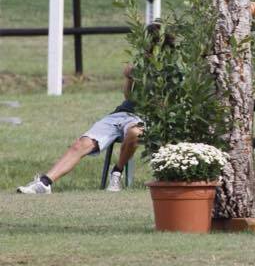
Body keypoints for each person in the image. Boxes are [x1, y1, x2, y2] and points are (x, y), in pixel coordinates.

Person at [14, 24, 170, 194]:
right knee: (81, 144)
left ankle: (116, 173)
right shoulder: (141, 65)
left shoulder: (169, 72)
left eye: (149, 44)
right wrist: (128, 79)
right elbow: (128, 98)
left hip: (145, 119)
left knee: (133, 133)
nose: (145, 49)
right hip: (121, 114)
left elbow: (168, 104)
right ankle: (45, 183)